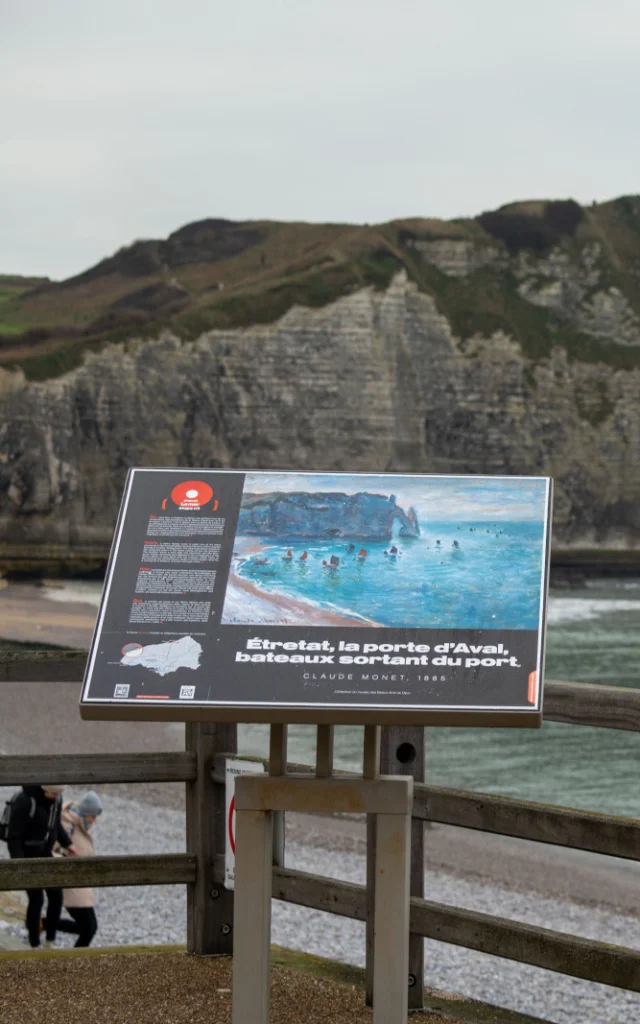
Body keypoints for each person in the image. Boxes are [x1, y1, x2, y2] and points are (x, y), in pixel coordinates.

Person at [6, 784, 75, 949]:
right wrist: (19, 864)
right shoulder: (25, 801)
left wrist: (68, 845)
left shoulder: (57, 800)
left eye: (59, 793)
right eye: (53, 793)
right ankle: (34, 942)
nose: (56, 796)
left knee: (56, 896)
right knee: (37, 899)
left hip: (46, 853)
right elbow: (13, 838)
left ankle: (50, 940)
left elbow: (56, 825)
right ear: (43, 789)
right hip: (27, 856)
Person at [52, 791, 103, 948]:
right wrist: (66, 867)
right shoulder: (68, 825)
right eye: (93, 816)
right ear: (85, 812)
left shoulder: (83, 826)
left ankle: (46, 923)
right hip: (71, 883)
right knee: (89, 928)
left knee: (88, 928)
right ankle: (76, 961)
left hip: (81, 884)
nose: (94, 820)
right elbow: (53, 850)